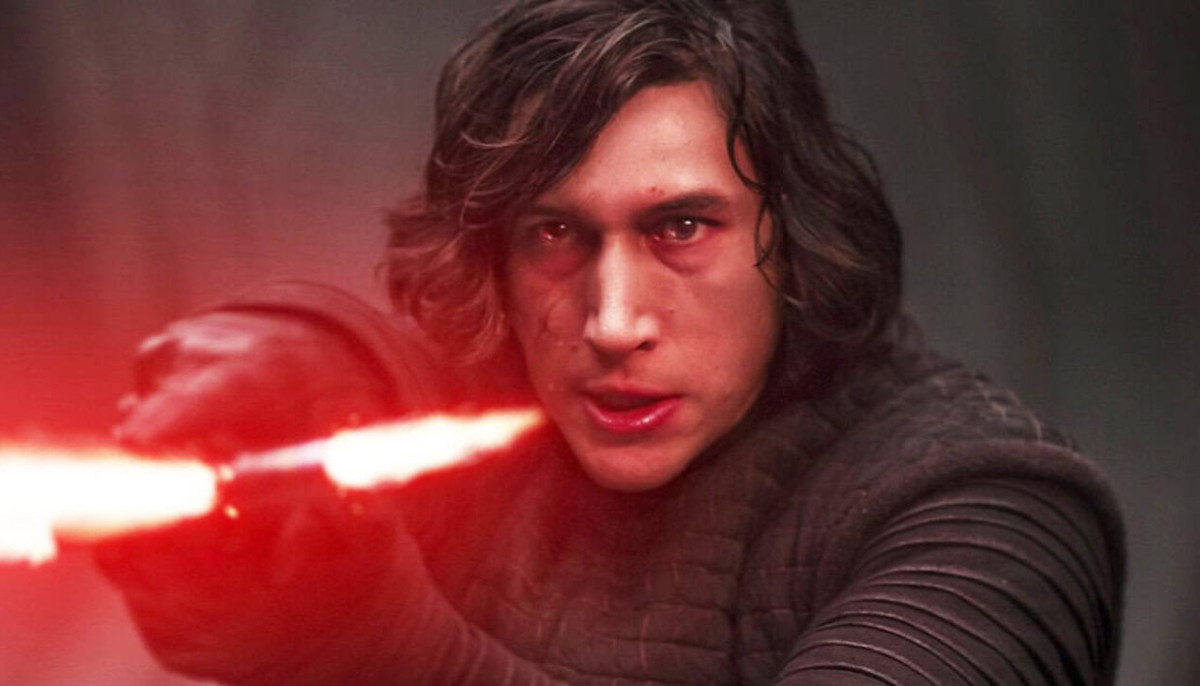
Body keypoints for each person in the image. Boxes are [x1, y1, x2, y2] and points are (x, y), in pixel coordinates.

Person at [97, 0, 1125, 683]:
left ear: (793, 229)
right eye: (555, 234)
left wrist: (388, 649)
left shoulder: (992, 509)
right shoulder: (506, 407)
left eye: (681, 227)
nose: (612, 323)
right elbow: (388, 368)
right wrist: (295, 349)